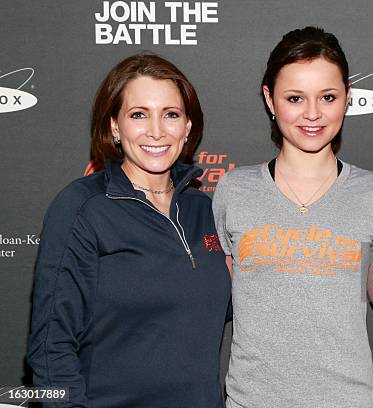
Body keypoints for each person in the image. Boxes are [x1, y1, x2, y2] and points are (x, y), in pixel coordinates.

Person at [27, 53, 231, 407]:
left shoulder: (207, 210)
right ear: (114, 127)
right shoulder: (82, 207)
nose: (156, 131)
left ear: (187, 127)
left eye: (171, 114)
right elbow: (50, 345)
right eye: (139, 115)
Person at [212, 27, 373, 408]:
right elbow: (218, 294)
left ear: (347, 99)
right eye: (295, 98)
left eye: (328, 97)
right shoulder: (234, 191)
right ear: (270, 99)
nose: (313, 114)